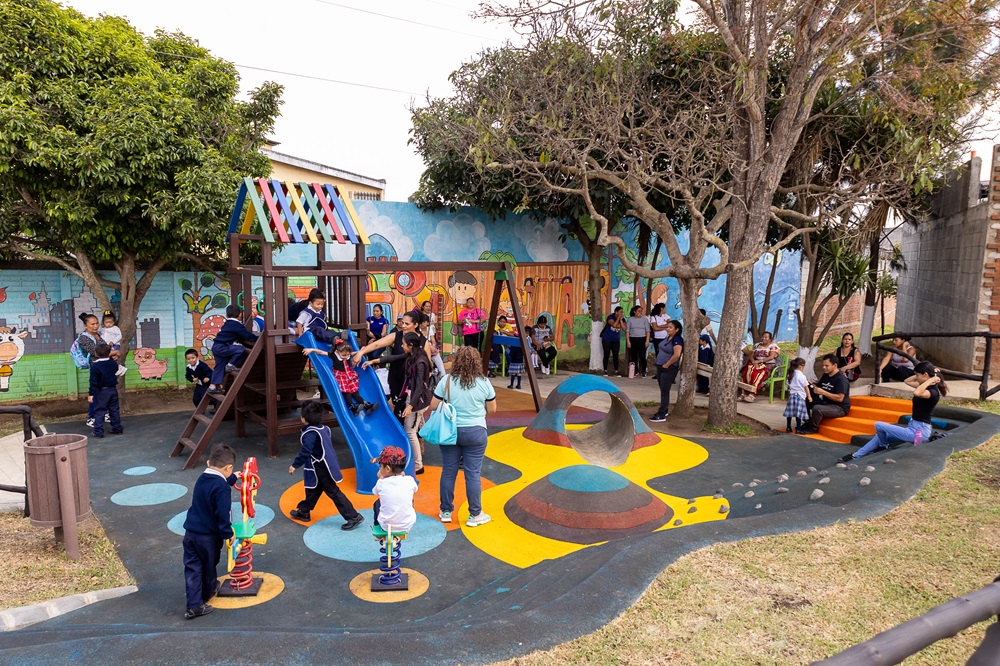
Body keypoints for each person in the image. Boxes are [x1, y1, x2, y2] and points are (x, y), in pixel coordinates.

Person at [433, 346, 496, 527]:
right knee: (473, 474)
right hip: (476, 431)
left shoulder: (446, 381)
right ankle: (475, 514)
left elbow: (432, 405)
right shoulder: (484, 382)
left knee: (448, 471)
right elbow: (492, 409)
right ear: (477, 361)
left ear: (456, 360)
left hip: (450, 432)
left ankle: (445, 510)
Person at [842, 361, 947, 461]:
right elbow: (907, 381)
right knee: (881, 435)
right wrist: (929, 375)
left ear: (925, 375)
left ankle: (883, 446)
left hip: (919, 434)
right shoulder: (925, 386)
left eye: (917, 375)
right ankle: (856, 455)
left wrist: (930, 379)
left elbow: (917, 393)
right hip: (914, 429)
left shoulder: (932, 392)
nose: (916, 378)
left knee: (879, 425)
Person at [182, 444, 239, 620]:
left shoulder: (202, 478)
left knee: (193, 567)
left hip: (191, 532)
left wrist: (232, 478)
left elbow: (213, 487)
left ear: (208, 462)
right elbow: (223, 513)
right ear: (229, 467)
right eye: (232, 471)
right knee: (208, 566)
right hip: (208, 536)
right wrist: (228, 534)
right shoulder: (222, 488)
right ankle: (207, 594)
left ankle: (193, 605)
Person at [287, 400, 365, 529]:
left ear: (303, 418)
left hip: (321, 467)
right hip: (326, 464)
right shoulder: (324, 428)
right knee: (313, 489)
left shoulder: (310, 434)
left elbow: (306, 451)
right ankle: (304, 511)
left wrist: (295, 465)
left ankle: (353, 516)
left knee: (333, 492)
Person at [353, 311, 431, 419]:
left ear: (416, 325)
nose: (403, 326)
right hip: (396, 377)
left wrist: (423, 384)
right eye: (402, 323)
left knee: (411, 412)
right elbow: (377, 344)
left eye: (407, 324)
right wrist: (361, 353)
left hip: (412, 383)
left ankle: (410, 433)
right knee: (398, 407)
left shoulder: (423, 342)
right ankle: (402, 430)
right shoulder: (397, 336)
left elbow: (428, 365)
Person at [300, 342, 376, 416]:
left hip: (349, 375)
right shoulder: (334, 355)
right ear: (338, 352)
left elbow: (355, 353)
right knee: (347, 392)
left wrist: (362, 351)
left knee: (354, 391)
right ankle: (353, 407)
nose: (346, 357)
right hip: (340, 376)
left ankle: (366, 405)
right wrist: (311, 350)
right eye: (343, 355)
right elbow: (321, 352)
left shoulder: (348, 354)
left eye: (348, 355)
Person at [398, 331, 433, 474]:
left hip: (417, 401)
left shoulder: (420, 362)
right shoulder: (413, 356)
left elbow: (419, 386)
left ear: (410, 345)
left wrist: (410, 406)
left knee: (410, 431)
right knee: (416, 423)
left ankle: (418, 465)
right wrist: (375, 361)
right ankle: (422, 427)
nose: (402, 346)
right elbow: (395, 357)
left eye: (404, 344)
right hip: (415, 397)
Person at [207, 305, 258, 396]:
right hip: (223, 347)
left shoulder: (226, 324)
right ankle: (231, 365)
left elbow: (232, 334)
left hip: (216, 346)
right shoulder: (237, 325)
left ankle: (212, 386)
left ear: (226, 315)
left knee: (219, 366)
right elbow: (248, 336)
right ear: (240, 315)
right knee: (240, 349)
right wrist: (258, 338)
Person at [799, 354, 851, 434]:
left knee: (817, 408)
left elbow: (840, 398)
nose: (824, 368)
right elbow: (819, 387)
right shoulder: (826, 375)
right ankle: (807, 421)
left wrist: (823, 392)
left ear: (835, 365)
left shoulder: (841, 379)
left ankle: (813, 428)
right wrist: (810, 384)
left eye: (827, 366)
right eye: (823, 365)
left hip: (839, 407)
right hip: (826, 402)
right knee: (804, 400)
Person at [371, 446, 418, 532]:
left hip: (386, 526)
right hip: (407, 524)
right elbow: (415, 489)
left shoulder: (381, 483)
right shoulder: (409, 480)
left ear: (387, 468)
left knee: (377, 503)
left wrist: (381, 477)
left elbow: (374, 492)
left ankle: (376, 525)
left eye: (380, 466)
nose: (380, 468)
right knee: (408, 496)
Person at [649, 320, 682, 423]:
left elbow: (677, 355)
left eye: (670, 327)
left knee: (664, 391)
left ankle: (661, 414)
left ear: (677, 330)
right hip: (660, 367)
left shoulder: (677, 340)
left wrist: (667, 365)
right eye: (667, 327)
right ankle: (665, 409)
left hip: (669, 368)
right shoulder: (668, 337)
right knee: (662, 389)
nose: (667, 329)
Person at [88, 341, 123, 438]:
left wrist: (91, 394)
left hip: (101, 391)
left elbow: (93, 381)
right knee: (114, 410)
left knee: (99, 411)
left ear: (96, 354)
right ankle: (117, 428)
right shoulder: (113, 363)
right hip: (112, 390)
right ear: (109, 353)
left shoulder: (95, 366)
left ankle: (98, 432)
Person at [739, 331, 780, 402]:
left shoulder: (773, 346)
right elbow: (751, 355)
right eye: (763, 337)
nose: (764, 338)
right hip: (756, 363)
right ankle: (743, 394)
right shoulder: (757, 345)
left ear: (770, 339)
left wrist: (760, 361)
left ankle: (752, 394)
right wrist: (754, 362)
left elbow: (771, 357)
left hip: (767, 366)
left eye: (766, 337)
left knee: (757, 374)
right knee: (746, 371)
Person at [76, 313, 101, 427]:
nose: (95, 326)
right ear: (86, 325)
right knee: (94, 392)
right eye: (92, 324)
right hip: (95, 368)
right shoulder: (84, 338)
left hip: (103, 367)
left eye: (97, 323)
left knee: (103, 392)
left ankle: (103, 414)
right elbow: (96, 352)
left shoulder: (98, 335)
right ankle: (91, 417)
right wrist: (113, 353)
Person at [783, 357, 811, 433]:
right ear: (801, 366)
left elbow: (788, 384)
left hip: (792, 396)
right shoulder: (802, 376)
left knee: (790, 412)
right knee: (798, 413)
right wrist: (809, 396)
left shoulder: (790, 374)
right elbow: (806, 387)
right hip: (800, 396)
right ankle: (798, 428)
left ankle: (788, 427)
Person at [625, 305, 650, 378]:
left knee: (642, 356)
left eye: (641, 311)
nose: (640, 312)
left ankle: (644, 371)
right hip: (633, 339)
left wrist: (647, 341)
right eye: (638, 311)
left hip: (642, 338)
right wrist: (628, 342)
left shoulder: (644, 319)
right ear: (634, 311)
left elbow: (648, 331)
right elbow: (627, 331)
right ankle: (635, 371)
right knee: (634, 356)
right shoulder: (630, 319)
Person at [602, 306, 624, 376]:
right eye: (620, 312)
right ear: (616, 312)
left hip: (616, 340)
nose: (621, 313)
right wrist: (618, 319)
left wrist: (620, 320)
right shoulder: (610, 317)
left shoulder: (623, 319)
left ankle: (616, 371)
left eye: (622, 312)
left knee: (616, 355)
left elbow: (624, 327)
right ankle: (605, 370)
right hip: (607, 338)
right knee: (606, 354)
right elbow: (614, 325)